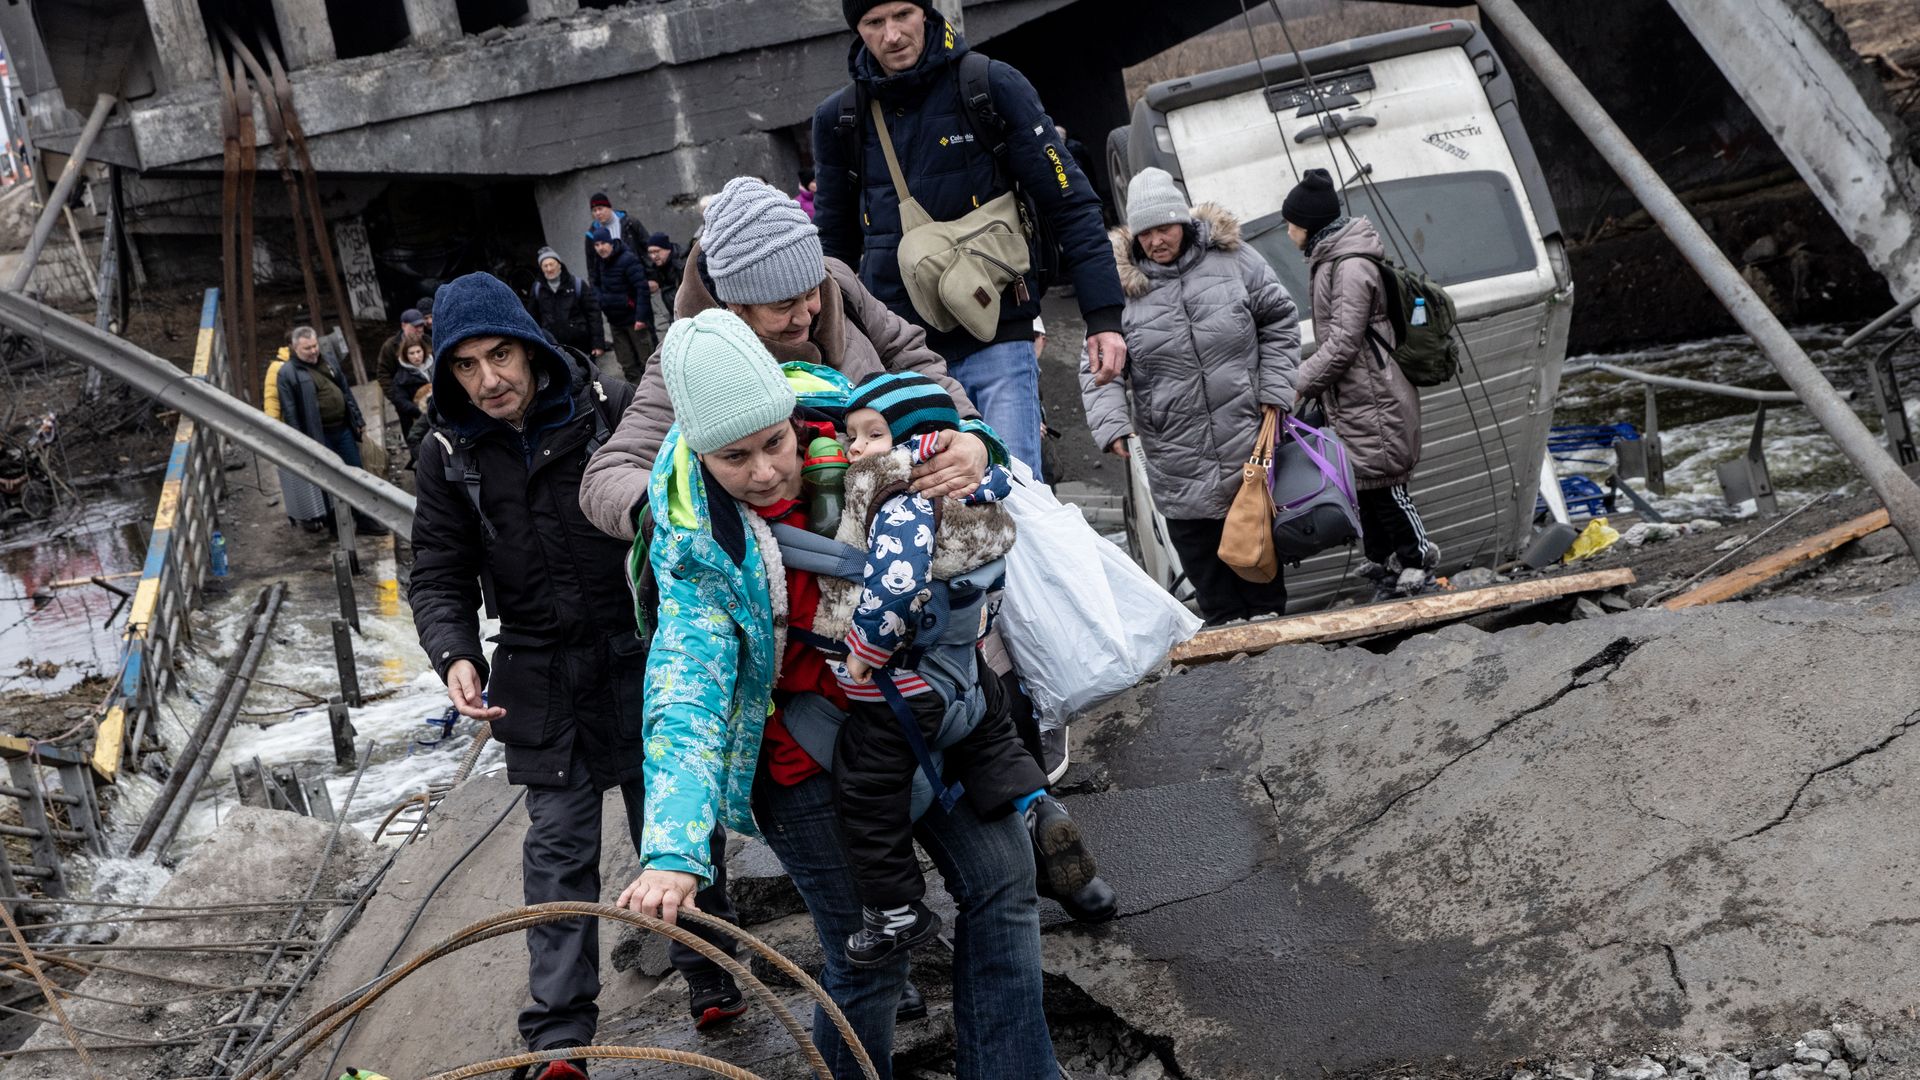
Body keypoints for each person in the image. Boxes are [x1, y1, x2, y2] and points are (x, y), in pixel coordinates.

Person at [617, 308, 1064, 1080]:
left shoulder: (855, 417)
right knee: (870, 954)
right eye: (734, 458)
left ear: (796, 418)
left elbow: (946, 432)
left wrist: (973, 443)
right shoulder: (695, 545)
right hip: (806, 758)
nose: (763, 472)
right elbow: (684, 696)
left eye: (773, 445)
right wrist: (674, 851)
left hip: (923, 709)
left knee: (1005, 880)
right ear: (697, 450)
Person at [407, 273, 747, 1078]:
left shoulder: (614, 406)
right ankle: (561, 1040)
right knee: (556, 854)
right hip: (538, 673)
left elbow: (687, 503)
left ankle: (712, 976)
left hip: (640, 651)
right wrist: (456, 654)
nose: (489, 380)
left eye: (500, 356)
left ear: (529, 345)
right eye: (465, 367)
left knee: (674, 826)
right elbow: (437, 571)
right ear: (446, 375)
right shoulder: (447, 454)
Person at [826, 372, 1093, 966]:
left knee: (865, 785)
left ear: (918, 442)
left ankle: (895, 909)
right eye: (852, 437)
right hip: (970, 671)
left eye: (874, 435)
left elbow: (895, 587)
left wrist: (864, 654)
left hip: (908, 686)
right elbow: (1002, 478)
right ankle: (1034, 808)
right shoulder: (978, 485)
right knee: (993, 741)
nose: (856, 450)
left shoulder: (902, 501)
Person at [811, 0, 1130, 480]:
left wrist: (1104, 316)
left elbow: (1070, 202)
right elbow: (833, 252)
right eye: (874, 23)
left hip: (998, 334)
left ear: (926, 13)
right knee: (933, 506)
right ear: (858, 30)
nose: (892, 35)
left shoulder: (988, 85)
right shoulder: (840, 119)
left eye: (903, 15)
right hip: (902, 353)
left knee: (1016, 493)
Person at [1080, 168, 1301, 625]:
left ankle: (1276, 635)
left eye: (1165, 228)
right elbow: (1097, 363)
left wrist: (1277, 389)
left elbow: (1280, 320)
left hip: (1245, 428)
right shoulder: (1115, 287)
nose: (1157, 240)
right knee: (1200, 544)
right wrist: (1112, 423)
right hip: (1174, 442)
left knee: (1256, 536)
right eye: (1146, 233)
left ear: (1184, 222)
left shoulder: (1236, 259)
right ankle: (1225, 632)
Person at [1282, 168, 1437, 599]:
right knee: (1363, 483)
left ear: (1309, 224)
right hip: (1355, 394)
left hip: (1374, 393)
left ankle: (1418, 557)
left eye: (1291, 223)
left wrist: (1301, 381)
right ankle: (1386, 561)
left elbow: (1344, 341)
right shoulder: (1331, 260)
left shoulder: (1349, 266)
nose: (1288, 230)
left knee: (1387, 482)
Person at [275, 326, 389, 536]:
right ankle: (337, 525)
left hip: (342, 428)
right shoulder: (287, 373)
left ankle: (364, 519)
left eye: (315, 345)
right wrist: (299, 442)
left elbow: (345, 391)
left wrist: (358, 418)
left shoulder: (328, 360)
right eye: (307, 348)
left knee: (356, 473)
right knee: (329, 480)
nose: (313, 351)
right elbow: (290, 411)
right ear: (295, 349)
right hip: (318, 435)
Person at [261, 344, 329, 530]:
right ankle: (308, 516)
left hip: (311, 425)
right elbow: (272, 400)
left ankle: (323, 511)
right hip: (291, 427)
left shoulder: (308, 363)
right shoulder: (278, 368)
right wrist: (274, 428)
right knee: (299, 475)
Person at [590, 224, 655, 384]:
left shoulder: (627, 259)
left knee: (648, 363)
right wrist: (602, 300)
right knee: (627, 365)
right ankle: (638, 399)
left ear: (610, 243)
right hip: (615, 322)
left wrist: (640, 317)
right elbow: (594, 283)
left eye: (603, 243)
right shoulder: (599, 262)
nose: (600, 248)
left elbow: (641, 289)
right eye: (596, 245)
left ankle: (658, 396)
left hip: (634, 320)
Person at [527, 246, 608, 366]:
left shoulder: (577, 284)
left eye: (551, 264)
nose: (549, 269)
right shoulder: (537, 289)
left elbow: (594, 315)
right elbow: (533, 318)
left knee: (590, 381)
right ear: (541, 268)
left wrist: (598, 344)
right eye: (545, 266)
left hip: (581, 347)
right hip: (554, 349)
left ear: (559, 264)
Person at [582, 191, 645, 289]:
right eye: (594, 210)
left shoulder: (630, 223)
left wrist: (652, 277)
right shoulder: (591, 235)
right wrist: (595, 290)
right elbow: (591, 266)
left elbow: (646, 247)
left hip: (635, 277)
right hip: (611, 286)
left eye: (600, 209)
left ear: (609, 207)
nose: (598, 213)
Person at [387, 337, 434, 452]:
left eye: (418, 351)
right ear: (405, 355)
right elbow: (400, 402)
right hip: (418, 421)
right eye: (411, 353)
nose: (416, 356)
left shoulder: (435, 366)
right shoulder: (400, 378)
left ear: (424, 350)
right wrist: (422, 411)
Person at [375, 308, 427, 394]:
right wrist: (399, 399)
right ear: (403, 326)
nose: (420, 329)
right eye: (415, 326)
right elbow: (383, 375)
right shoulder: (390, 346)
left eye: (421, 325)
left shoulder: (428, 341)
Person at [642, 232, 686, 331]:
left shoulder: (681, 265)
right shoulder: (657, 269)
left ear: (668, 249)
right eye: (650, 253)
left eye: (657, 251)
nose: (653, 256)